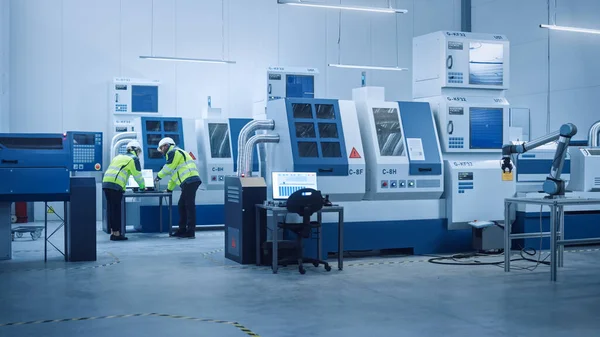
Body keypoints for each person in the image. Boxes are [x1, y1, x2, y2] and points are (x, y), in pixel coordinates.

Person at [154, 137, 201, 238]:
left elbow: (168, 168)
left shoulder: (174, 152)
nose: (161, 152)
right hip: (188, 182)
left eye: (161, 148)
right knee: (182, 205)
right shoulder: (174, 155)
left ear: (166, 145)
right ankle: (182, 229)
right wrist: (169, 189)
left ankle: (190, 231)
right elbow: (173, 176)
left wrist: (158, 177)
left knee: (189, 206)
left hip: (190, 180)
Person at [102, 141, 146, 241]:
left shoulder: (118, 157)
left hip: (106, 183)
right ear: (137, 150)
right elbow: (138, 176)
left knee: (111, 209)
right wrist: (143, 187)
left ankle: (113, 232)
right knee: (117, 210)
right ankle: (117, 234)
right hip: (116, 185)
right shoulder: (133, 159)